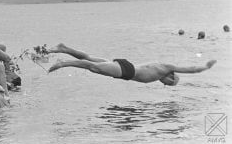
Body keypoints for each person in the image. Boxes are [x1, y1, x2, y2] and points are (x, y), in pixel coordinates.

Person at [47, 43, 216, 86]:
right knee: (92, 66)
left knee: (90, 58)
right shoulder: (166, 68)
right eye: (169, 84)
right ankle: (63, 63)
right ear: (169, 77)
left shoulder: (160, 67)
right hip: (126, 71)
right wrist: (206, 67)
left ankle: (63, 48)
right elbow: (191, 70)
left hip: (125, 66)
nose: (165, 85)